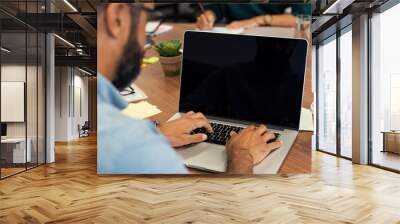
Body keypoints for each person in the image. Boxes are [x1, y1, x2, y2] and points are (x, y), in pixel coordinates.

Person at [97, 3, 283, 174]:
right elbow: (230, 206)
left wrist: (155, 131)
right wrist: (242, 154)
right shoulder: (150, 157)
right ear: (117, 17)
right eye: (147, 20)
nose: (149, 41)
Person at [196, 3, 310, 30]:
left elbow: (305, 20)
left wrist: (259, 20)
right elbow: (217, 7)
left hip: (270, 33)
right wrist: (211, 15)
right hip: (233, 32)